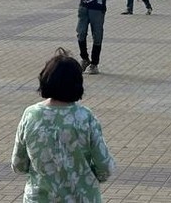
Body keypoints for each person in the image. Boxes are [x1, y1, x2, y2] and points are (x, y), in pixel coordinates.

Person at [11, 48, 114, 202]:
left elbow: (18, 164)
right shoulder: (85, 117)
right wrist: (87, 176)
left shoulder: (31, 115)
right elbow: (105, 167)